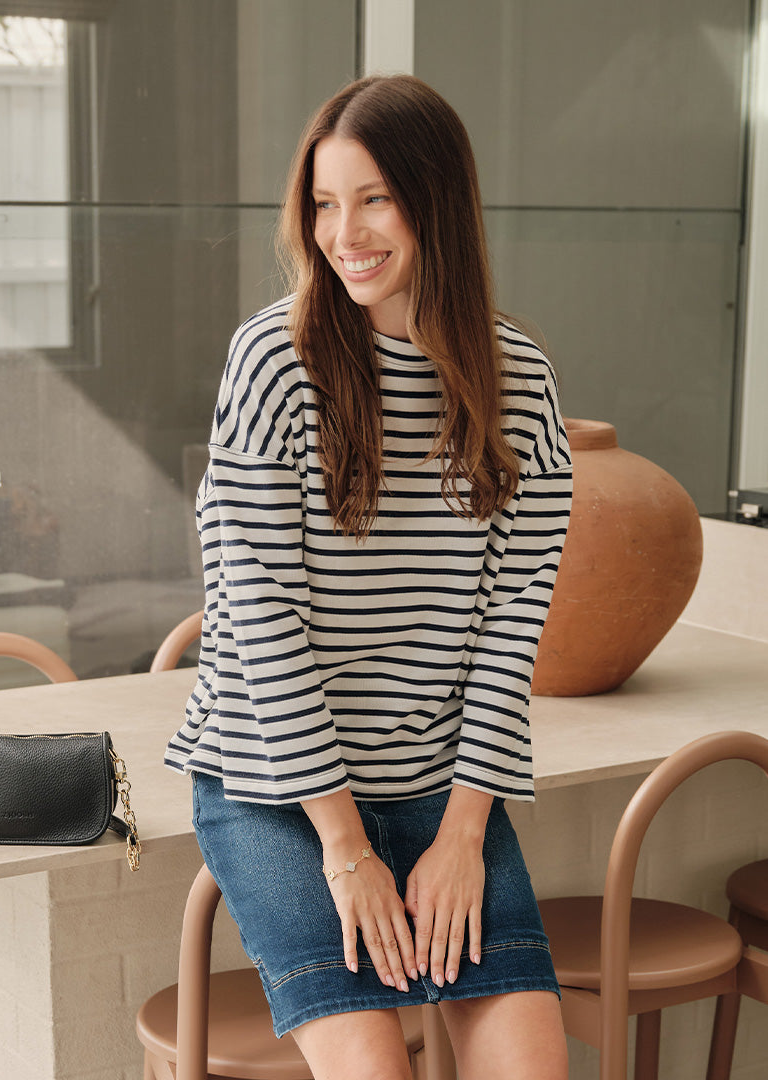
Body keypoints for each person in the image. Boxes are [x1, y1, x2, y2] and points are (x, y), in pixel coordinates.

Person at [166, 73, 572, 1080]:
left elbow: (510, 628)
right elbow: (261, 621)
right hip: (277, 788)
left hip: (439, 783)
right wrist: (345, 848)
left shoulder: (519, 383)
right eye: (322, 203)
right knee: (374, 1066)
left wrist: (464, 833)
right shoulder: (274, 360)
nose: (343, 233)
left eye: (374, 199)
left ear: (437, 201)